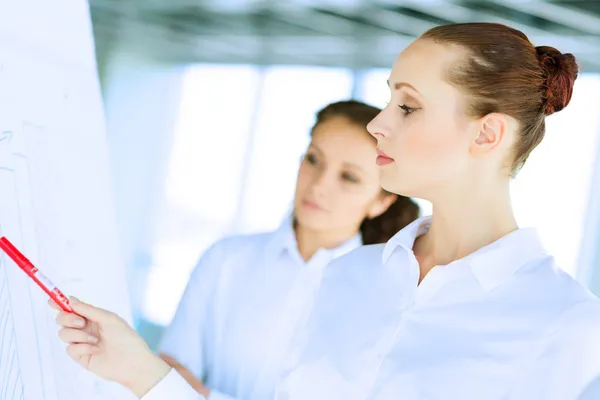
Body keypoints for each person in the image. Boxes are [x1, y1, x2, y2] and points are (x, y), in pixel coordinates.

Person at [53, 22, 600, 400]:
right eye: (388, 100)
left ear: (487, 133)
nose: (378, 124)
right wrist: (139, 369)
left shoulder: (567, 325)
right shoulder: (350, 277)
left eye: (407, 106)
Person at [156, 100, 420, 400]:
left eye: (349, 177)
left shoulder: (389, 295)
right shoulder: (226, 260)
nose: (319, 184)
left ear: (381, 202)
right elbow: (166, 378)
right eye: (313, 160)